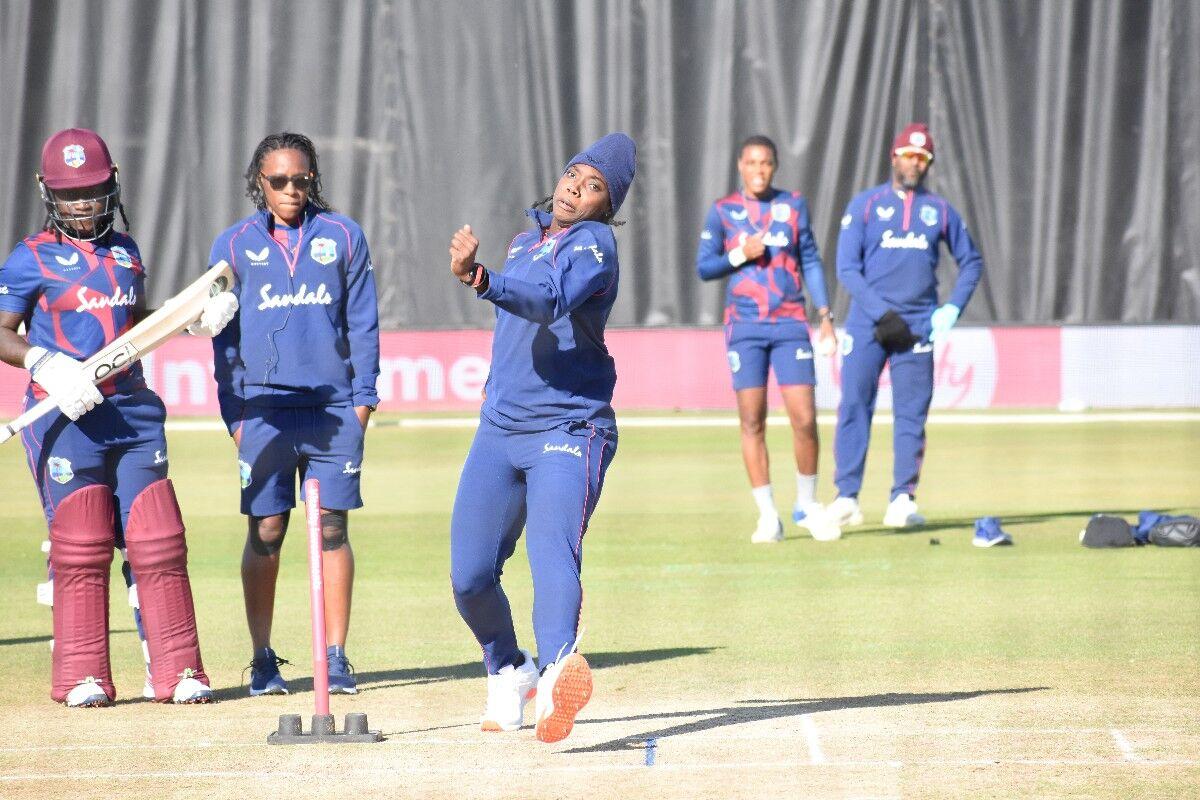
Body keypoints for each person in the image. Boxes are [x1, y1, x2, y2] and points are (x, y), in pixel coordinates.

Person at [0, 128, 232, 706]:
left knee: (156, 536)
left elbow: (135, 325)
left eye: (92, 190)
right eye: (70, 193)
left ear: (113, 185)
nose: (83, 203)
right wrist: (45, 362)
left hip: (131, 411)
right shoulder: (30, 258)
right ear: (48, 192)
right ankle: (83, 674)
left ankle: (176, 670)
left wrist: (189, 320)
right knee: (82, 539)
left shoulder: (126, 251)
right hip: (65, 414)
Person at [447, 132, 635, 743]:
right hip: (500, 428)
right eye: (572, 175)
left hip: (569, 427)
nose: (575, 190)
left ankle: (557, 674)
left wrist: (483, 279)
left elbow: (549, 301)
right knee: (470, 576)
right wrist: (492, 274)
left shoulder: (596, 244)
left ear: (607, 204)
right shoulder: (524, 241)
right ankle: (510, 668)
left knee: (551, 552)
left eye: (593, 186)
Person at [209, 132, 380, 696]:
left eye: (300, 179)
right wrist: (235, 416)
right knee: (267, 529)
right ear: (259, 182)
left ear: (313, 180)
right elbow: (223, 342)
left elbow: (363, 324)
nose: (290, 190)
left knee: (332, 526)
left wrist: (362, 402)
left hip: (332, 411)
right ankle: (263, 660)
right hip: (263, 414)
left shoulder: (343, 236)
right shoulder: (233, 245)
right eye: (278, 180)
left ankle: (336, 656)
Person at [828, 123, 983, 528]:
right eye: (909, 155)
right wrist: (882, 313)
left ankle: (902, 499)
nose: (915, 163)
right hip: (869, 323)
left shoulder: (940, 211)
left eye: (923, 158)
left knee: (911, 415)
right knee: (854, 406)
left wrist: (951, 309)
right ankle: (847, 496)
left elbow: (972, 262)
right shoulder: (865, 205)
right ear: (894, 156)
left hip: (917, 327)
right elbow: (847, 268)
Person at [696, 135, 840, 543]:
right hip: (745, 328)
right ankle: (768, 516)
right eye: (751, 162)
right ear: (740, 166)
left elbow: (810, 259)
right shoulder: (723, 211)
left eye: (765, 163)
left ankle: (807, 505)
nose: (758, 170)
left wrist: (825, 315)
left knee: (805, 418)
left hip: (790, 323)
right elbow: (704, 268)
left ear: (774, 166)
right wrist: (740, 254)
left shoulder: (792, 205)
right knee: (752, 420)